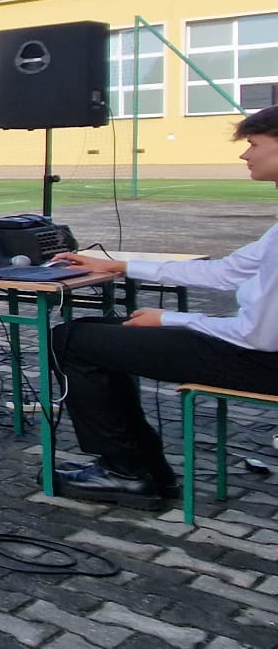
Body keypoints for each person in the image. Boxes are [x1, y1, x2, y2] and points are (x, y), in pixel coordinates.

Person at [45, 105, 278, 508]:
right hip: (257, 351)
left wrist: (168, 318)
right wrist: (119, 266)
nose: (245, 155)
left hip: (261, 361)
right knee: (96, 333)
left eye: (254, 144)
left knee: (71, 339)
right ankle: (140, 469)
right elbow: (226, 272)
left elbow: (257, 336)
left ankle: (128, 472)